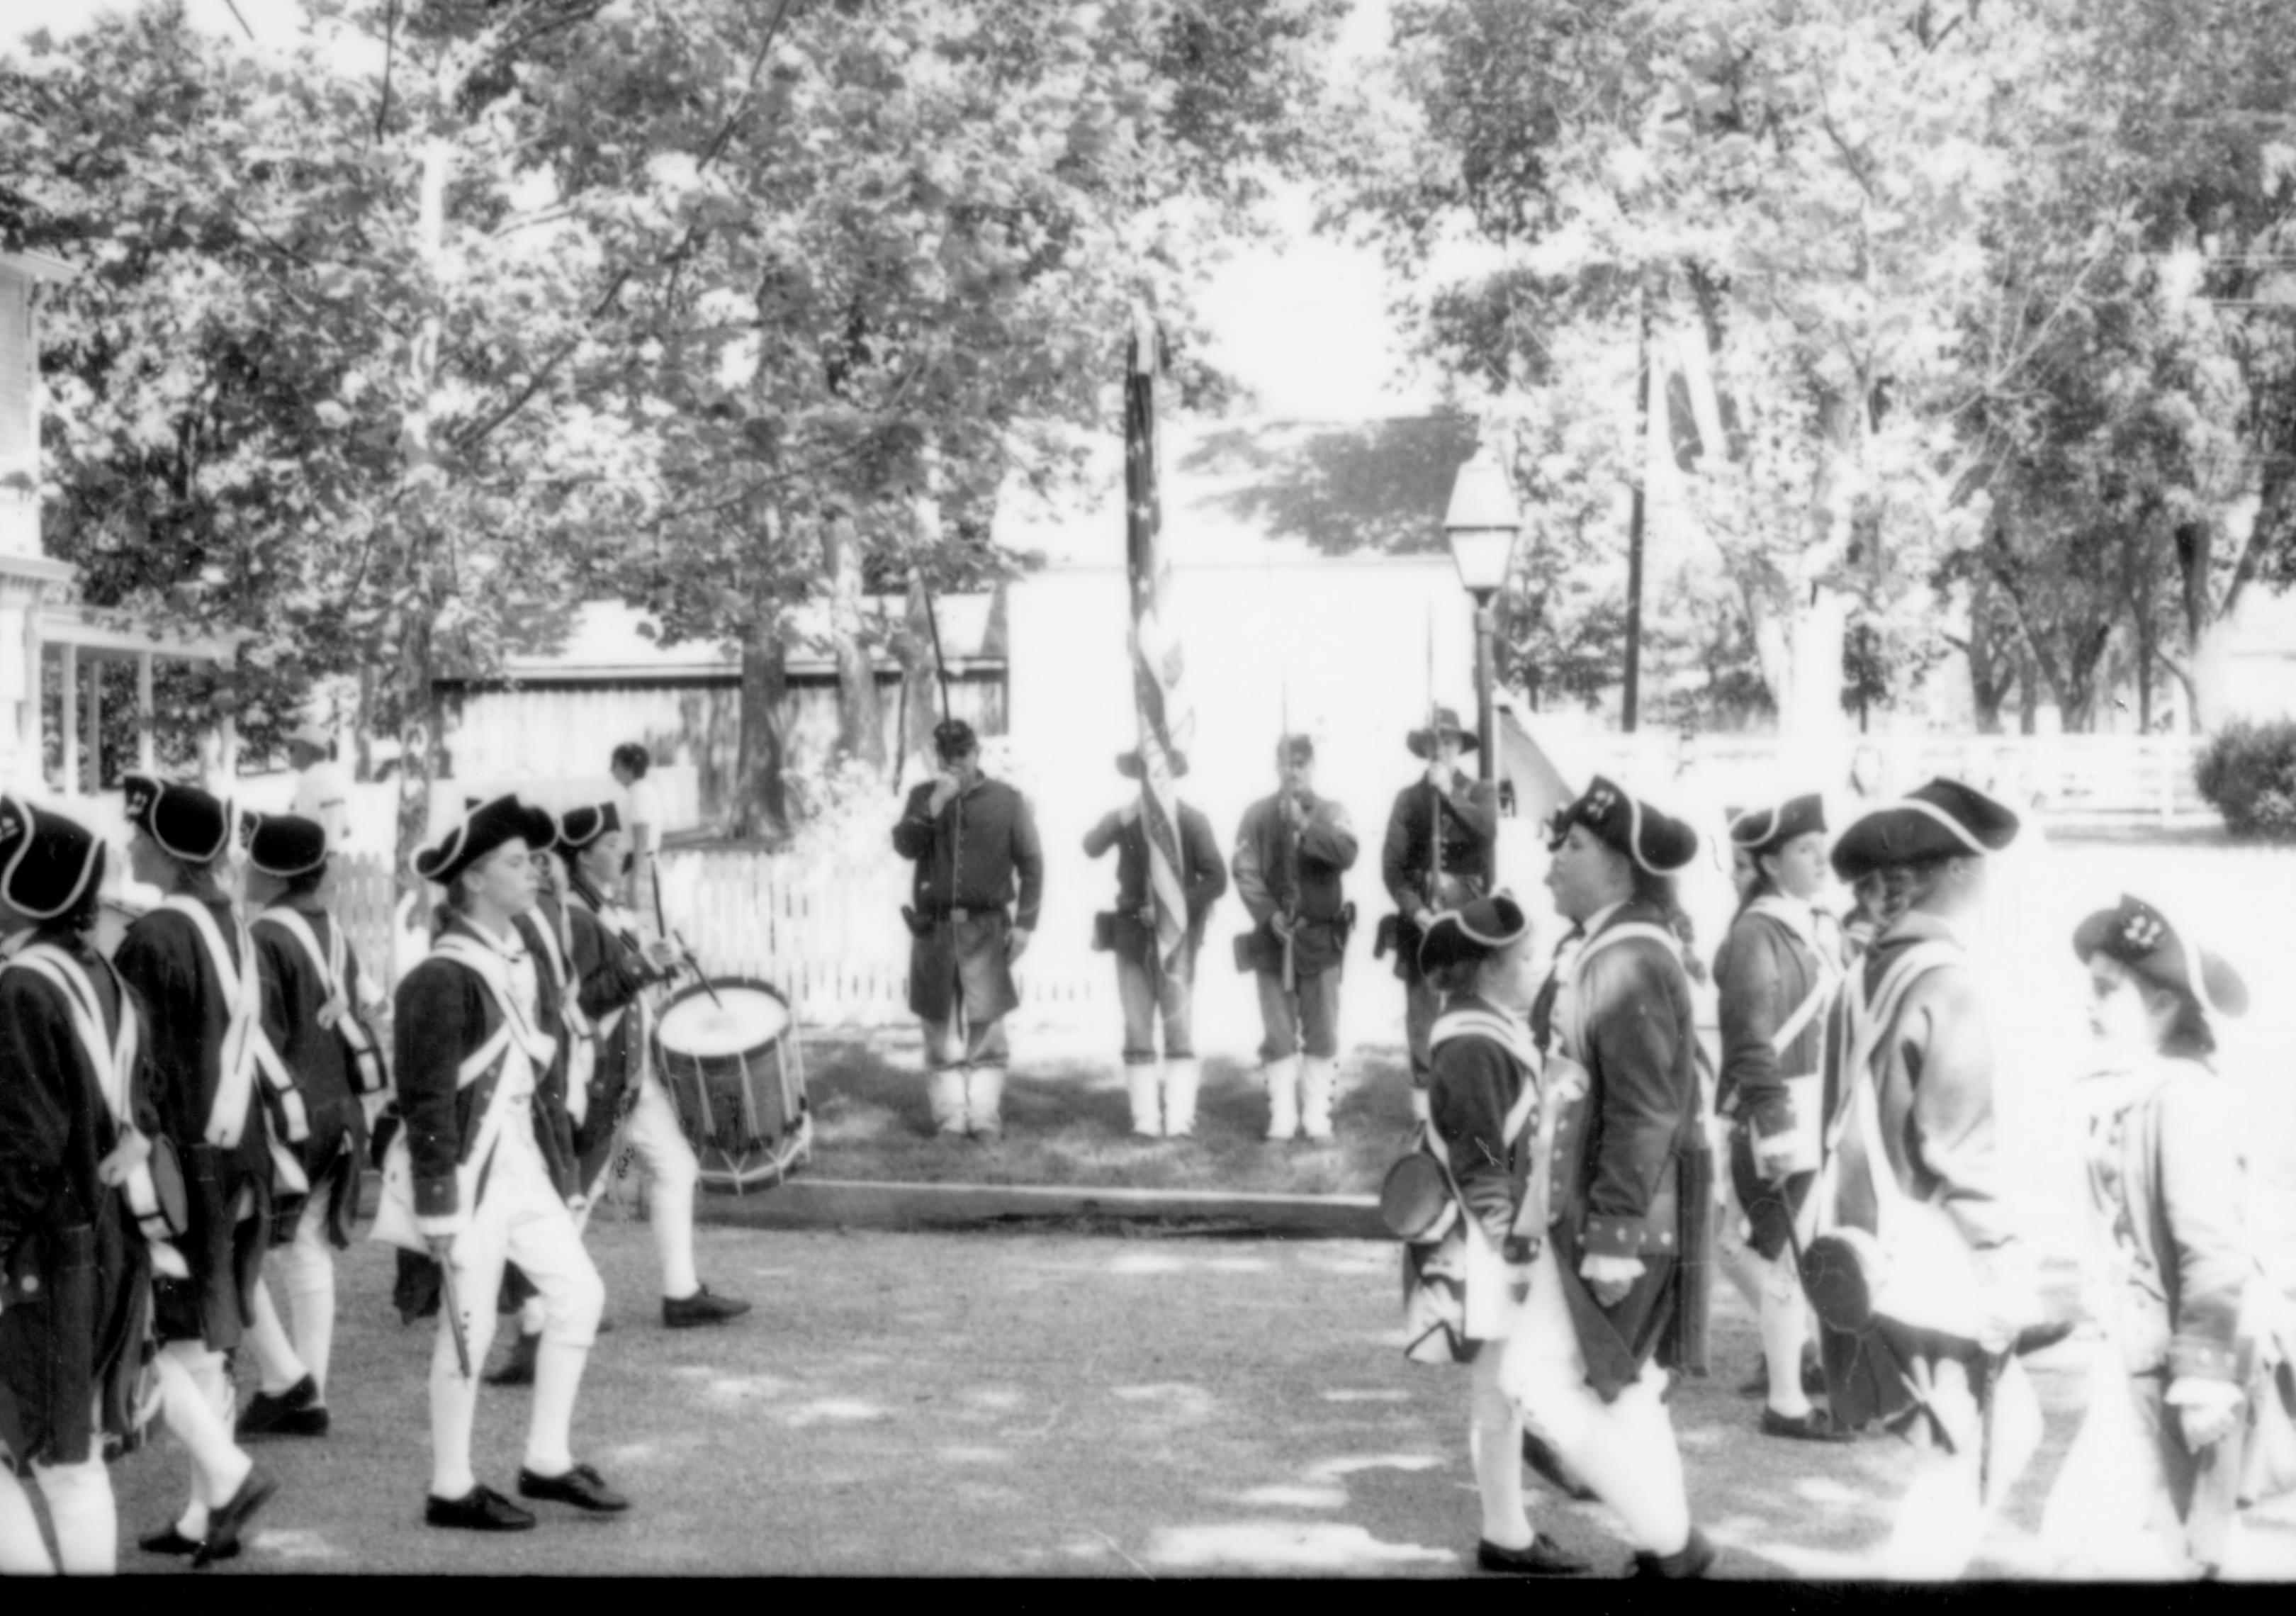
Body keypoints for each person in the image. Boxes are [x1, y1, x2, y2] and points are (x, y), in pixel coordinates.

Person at [1814, 778, 2057, 1580]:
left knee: (1997, 1433)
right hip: (1939, 1253)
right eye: (1982, 865)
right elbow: (1958, 1148)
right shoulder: (1948, 982)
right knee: (1966, 1453)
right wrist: (2004, 1262)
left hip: (1873, 1241)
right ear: (1953, 873)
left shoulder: (1865, 974)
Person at [372, 794, 624, 1532]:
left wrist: (563, 1172)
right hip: (468, 1176)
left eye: (536, 861)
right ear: (475, 880)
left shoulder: (520, 957)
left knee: (579, 1295)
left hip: (518, 1165)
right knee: (468, 1331)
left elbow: (537, 1082)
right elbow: (425, 1104)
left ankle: (546, 1459)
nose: (538, 872)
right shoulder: (439, 980)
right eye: (519, 863)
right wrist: (440, 1209)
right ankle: (451, 1487)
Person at [2039, 896, 2290, 1578]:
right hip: (2137, 1357)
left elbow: (2212, 1250)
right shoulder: (2141, 1088)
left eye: (2106, 990)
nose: (2088, 1004)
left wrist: (2205, 1379)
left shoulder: (2182, 1100)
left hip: (2180, 1366)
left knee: (2161, 1547)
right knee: (2119, 1544)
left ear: (2163, 1008)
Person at [1512, 775, 1715, 1579]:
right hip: (1595, 1206)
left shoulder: (1629, 955)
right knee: (1616, 1386)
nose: (1554, 860)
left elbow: (1642, 1110)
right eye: (1558, 842)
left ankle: (1674, 1545)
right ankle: (1666, 1549)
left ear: (1625, 867)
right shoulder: (1605, 942)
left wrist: (1612, 1235)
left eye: (1575, 846)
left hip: (1622, 1215)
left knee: (1540, 1384)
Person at [112, 775, 282, 1565]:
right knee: (202, 1348)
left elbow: (132, 1069)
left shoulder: (152, 938)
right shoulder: (232, 923)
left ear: (169, 849)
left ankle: (230, 1472)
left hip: (181, 1166)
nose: (130, 844)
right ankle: (201, 1515)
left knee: (159, 1341)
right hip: (238, 1152)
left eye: (140, 833)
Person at [0, 799, 162, 1575]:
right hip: (105, 1239)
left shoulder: (20, 986)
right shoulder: (96, 967)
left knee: (61, 1465)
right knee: (73, 1456)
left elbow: (26, 1148)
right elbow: (145, 1106)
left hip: (44, 1250)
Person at [1408, 894, 1591, 1577]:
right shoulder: (1472, 1040)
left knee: (1506, 1382)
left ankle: (1510, 1522)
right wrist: (1511, 1241)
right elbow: (1478, 1154)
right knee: (1499, 1384)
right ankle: (1505, 1533)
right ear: (1487, 967)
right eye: (1523, 958)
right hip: (1490, 1235)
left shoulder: (1487, 1026)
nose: (1533, 967)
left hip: (1503, 1226)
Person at [558, 803, 748, 1326]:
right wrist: (642, 965)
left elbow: (622, 980)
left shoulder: (605, 910)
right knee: (586, 1185)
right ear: (581, 855)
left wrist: (652, 961)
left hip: (631, 1069)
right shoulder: (573, 915)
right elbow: (582, 1002)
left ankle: (681, 1293)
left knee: (674, 1166)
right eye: (612, 845)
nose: (624, 852)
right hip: (600, 1071)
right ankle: (553, 1302)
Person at [235, 814, 388, 1442]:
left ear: (271, 871)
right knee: (309, 1252)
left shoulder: (263, 935)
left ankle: (288, 1384)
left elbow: (258, 1039)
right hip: (341, 1110)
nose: (242, 867)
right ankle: (308, 1393)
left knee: (237, 1248)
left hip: (290, 1116)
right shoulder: (330, 930)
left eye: (250, 859)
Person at [1713, 795, 1847, 1443]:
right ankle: (1788, 1396)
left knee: (1773, 1254)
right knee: (1770, 1254)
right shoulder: (1757, 933)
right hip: (1781, 1109)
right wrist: (1775, 1121)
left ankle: (1798, 1366)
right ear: (1768, 863)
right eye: (1803, 849)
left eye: (1823, 843)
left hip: (1818, 1106)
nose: (1822, 856)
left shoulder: (1815, 923)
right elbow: (1749, 1040)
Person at [891, 719, 1043, 1142]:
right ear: (937, 757)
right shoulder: (924, 797)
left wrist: (1027, 927)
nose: (955, 762)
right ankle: (950, 1117)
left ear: (977, 753)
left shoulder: (1007, 801)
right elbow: (905, 846)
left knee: (988, 1032)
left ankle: (984, 1116)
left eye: (963, 754)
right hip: (935, 931)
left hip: (986, 929)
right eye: (947, 755)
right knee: (938, 1033)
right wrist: (937, 801)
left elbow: (1032, 864)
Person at [1084, 750, 1227, 1139]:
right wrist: (1119, 820)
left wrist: (1171, 907)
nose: (1153, 780)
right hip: (1131, 935)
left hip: (1176, 940)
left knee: (1179, 1030)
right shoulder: (1126, 818)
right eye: (1146, 773)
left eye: (1160, 772)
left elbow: (1217, 880)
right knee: (1137, 1028)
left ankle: (1180, 1120)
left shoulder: (1193, 821)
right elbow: (1090, 846)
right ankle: (1145, 1121)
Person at [1232, 735, 1359, 1143]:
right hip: (1273, 942)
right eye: (1286, 762)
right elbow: (1244, 869)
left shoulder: (1333, 811)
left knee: (1322, 1030)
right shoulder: (1256, 815)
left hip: (1320, 941)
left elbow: (1346, 854)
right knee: (1279, 1032)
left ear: (1312, 766)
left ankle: (1317, 1114)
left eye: (1301, 763)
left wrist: (1304, 825)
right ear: (1276, 767)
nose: (1294, 770)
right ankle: (1283, 1115)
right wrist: (1268, 914)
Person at [1380, 706, 1499, 1117]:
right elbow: (1392, 868)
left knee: (1468, 1004)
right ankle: (1425, 1110)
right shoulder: (1408, 799)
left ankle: (1469, 1101)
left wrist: (1450, 794)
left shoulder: (1480, 791)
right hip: (1421, 919)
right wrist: (1416, 913)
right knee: (1422, 1012)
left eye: (1448, 741)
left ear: (1458, 746)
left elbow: (1488, 830)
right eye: (1433, 741)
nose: (1440, 749)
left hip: (1467, 916)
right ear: (1424, 748)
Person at [610, 743, 664, 935]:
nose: (611, 771)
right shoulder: (637, 791)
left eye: (614, 765)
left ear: (627, 768)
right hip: (635, 865)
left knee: (639, 925)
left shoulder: (640, 793)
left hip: (639, 867)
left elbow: (641, 839)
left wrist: (633, 883)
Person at [286, 721, 354, 853]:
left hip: (314, 861)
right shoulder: (322, 779)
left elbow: (301, 830)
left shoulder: (316, 784)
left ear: (308, 751)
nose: (289, 754)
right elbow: (344, 830)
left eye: (292, 749)